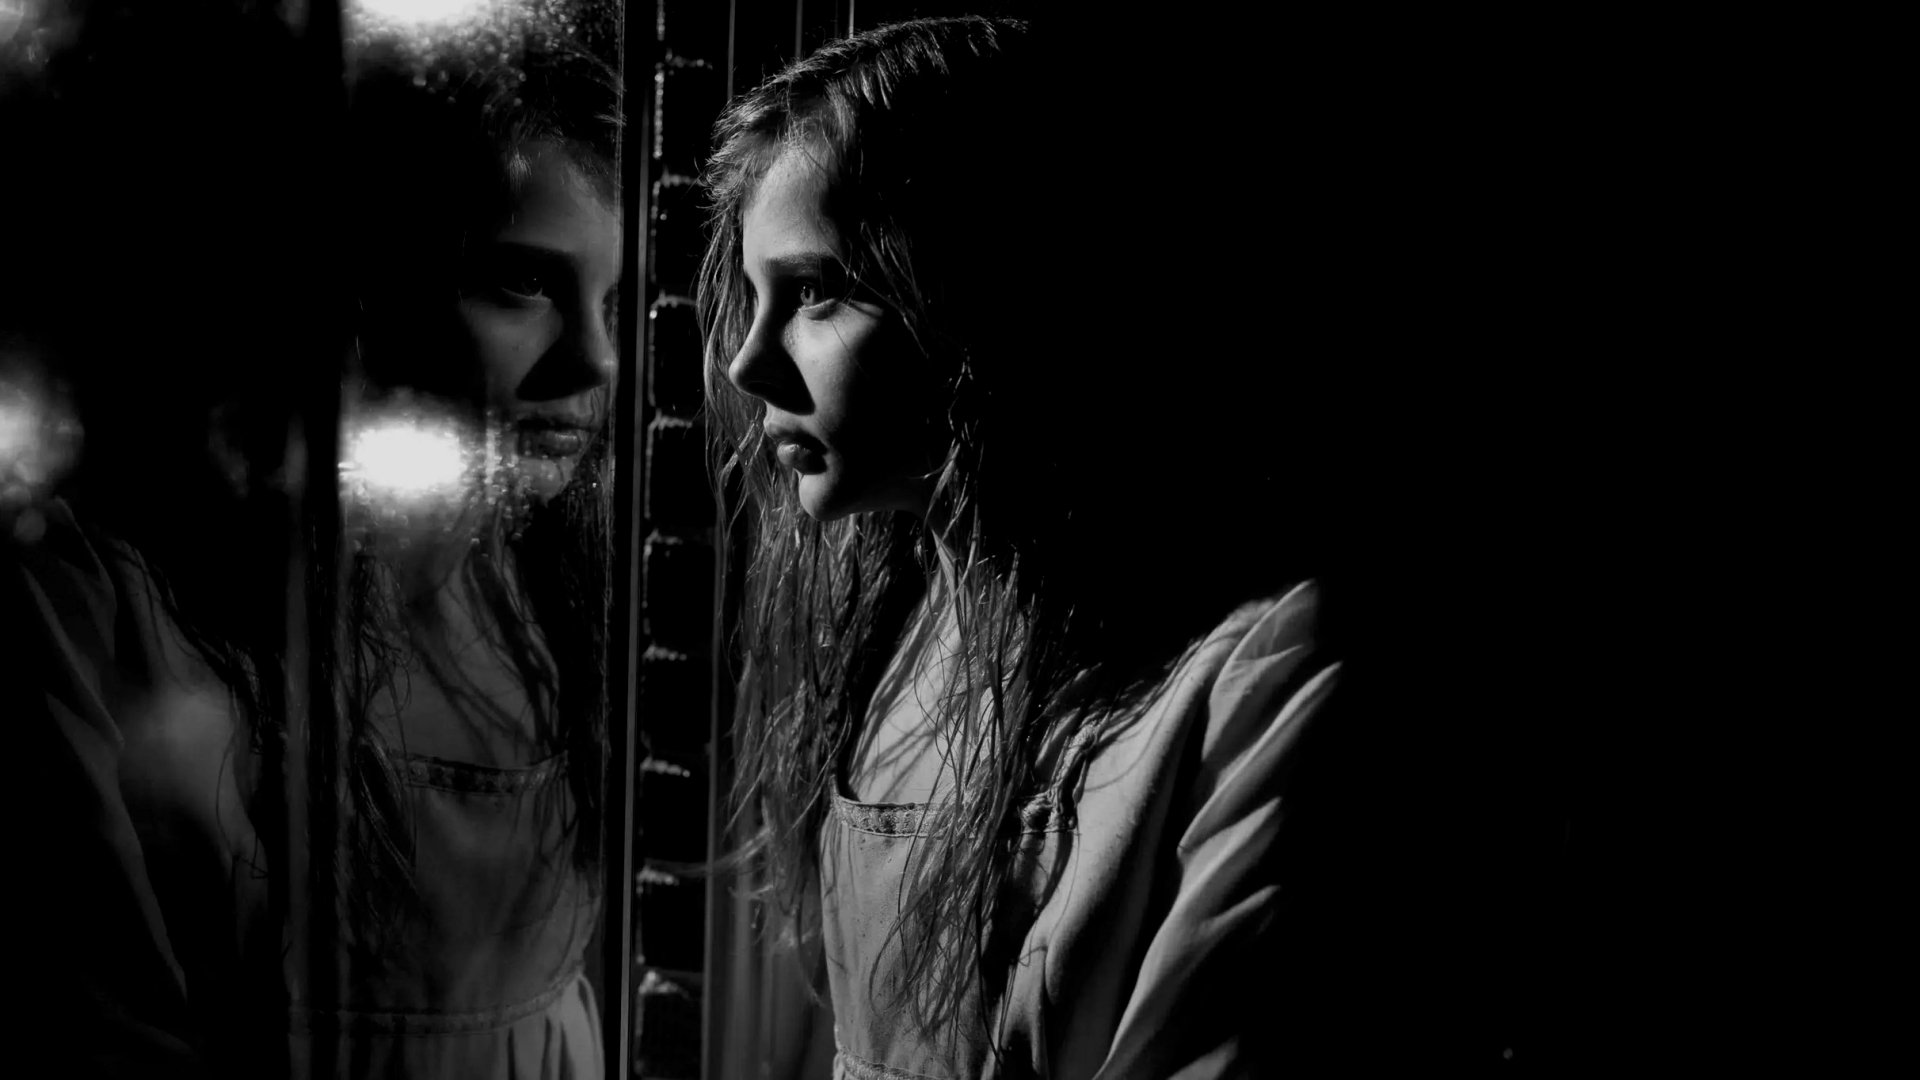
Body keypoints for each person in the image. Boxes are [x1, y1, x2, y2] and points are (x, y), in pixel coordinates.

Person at [697, 17, 1336, 1077]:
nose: (746, 364)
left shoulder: (1247, 675)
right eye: (756, 299)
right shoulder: (895, 615)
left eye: (817, 291)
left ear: (986, 288)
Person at [4, 5, 623, 1076]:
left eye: (614, 298)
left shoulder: (551, 581)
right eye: (523, 280)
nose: (598, 360)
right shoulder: (101, 599)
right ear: (361, 281)